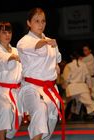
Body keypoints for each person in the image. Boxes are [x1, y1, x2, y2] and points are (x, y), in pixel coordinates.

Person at [17, 8, 65, 140]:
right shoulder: (24, 41)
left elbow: (56, 60)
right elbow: (37, 45)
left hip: (50, 89)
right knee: (40, 109)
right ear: (29, 23)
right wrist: (47, 42)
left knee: (49, 126)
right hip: (31, 88)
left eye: (43, 21)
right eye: (36, 21)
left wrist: (56, 67)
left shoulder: (51, 42)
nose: (40, 24)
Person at [0, 21, 22, 140]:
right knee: (5, 109)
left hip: (16, 91)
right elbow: (3, 61)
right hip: (1, 91)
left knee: (18, 117)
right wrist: (12, 57)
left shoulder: (16, 50)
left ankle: (7, 138)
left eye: (9, 32)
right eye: (3, 32)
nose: (7, 35)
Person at [63, 52, 94, 119]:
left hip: (72, 89)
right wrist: (90, 87)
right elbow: (88, 77)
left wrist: (64, 87)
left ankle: (61, 118)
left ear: (71, 57)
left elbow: (66, 79)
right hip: (82, 88)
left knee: (64, 102)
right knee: (90, 103)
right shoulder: (84, 65)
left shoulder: (69, 65)